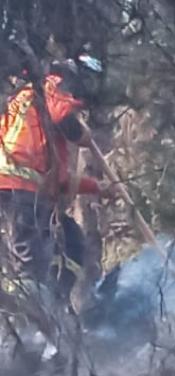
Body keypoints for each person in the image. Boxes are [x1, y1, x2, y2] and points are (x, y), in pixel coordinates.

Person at [0, 56, 110, 304]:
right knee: (31, 261)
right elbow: (65, 121)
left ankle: (55, 310)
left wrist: (97, 188)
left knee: (70, 245)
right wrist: (82, 134)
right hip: (19, 189)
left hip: (23, 187)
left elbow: (57, 178)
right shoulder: (51, 86)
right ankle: (27, 327)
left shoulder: (28, 105)